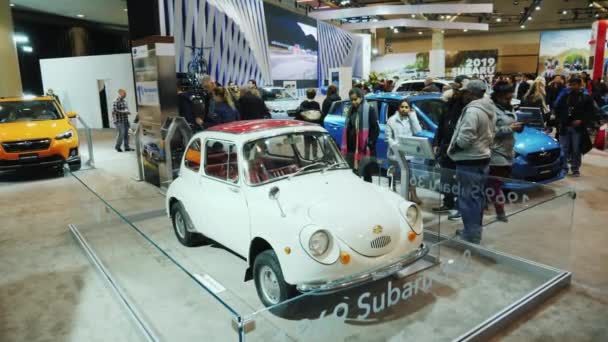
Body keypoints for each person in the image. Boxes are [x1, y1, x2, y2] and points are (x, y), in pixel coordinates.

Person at [447, 80, 496, 244]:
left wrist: (454, 148)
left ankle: (471, 233)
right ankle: (474, 230)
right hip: (483, 157)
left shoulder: (473, 111)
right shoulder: (489, 108)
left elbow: (467, 136)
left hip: (469, 159)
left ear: (472, 94)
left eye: (466, 92)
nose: (463, 95)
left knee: (467, 198)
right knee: (477, 197)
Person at [488, 81, 523, 222]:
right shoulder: (490, 109)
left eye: (510, 97)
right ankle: (500, 212)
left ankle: (494, 208)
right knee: (495, 185)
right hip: (495, 152)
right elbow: (488, 132)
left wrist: (516, 127)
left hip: (508, 151)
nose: (509, 100)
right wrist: (511, 128)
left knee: (496, 184)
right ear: (497, 96)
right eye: (506, 98)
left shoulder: (507, 107)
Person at [434, 75, 469, 214]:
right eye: (454, 88)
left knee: (461, 178)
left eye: (458, 88)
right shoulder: (447, 104)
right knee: (446, 176)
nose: (455, 91)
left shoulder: (466, 106)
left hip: (459, 148)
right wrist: (436, 142)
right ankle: (447, 202)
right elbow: (441, 125)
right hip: (445, 147)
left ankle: (460, 206)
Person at [555, 76, 594, 177]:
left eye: (575, 84)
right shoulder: (565, 96)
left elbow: (591, 113)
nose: (573, 86)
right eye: (571, 84)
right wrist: (561, 120)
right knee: (564, 149)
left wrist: (581, 121)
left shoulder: (586, 97)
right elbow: (557, 109)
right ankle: (564, 168)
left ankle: (575, 168)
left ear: (580, 85)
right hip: (565, 127)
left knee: (576, 149)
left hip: (578, 128)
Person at [386, 99, 423, 204]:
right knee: (392, 176)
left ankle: (413, 195)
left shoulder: (411, 119)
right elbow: (388, 138)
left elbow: (418, 131)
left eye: (406, 107)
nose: (404, 109)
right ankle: (392, 195)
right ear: (398, 108)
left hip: (408, 155)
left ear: (410, 109)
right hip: (394, 154)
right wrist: (397, 148)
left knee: (410, 176)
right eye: (402, 106)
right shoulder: (391, 120)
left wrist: (413, 116)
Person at [342, 88, 379, 182]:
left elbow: (375, 128)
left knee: (367, 174)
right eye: (351, 100)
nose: (353, 102)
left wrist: (370, 142)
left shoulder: (369, 110)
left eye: (355, 99)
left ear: (361, 98)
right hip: (353, 147)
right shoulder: (351, 110)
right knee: (354, 173)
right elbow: (349, 126)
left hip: (365, 147)